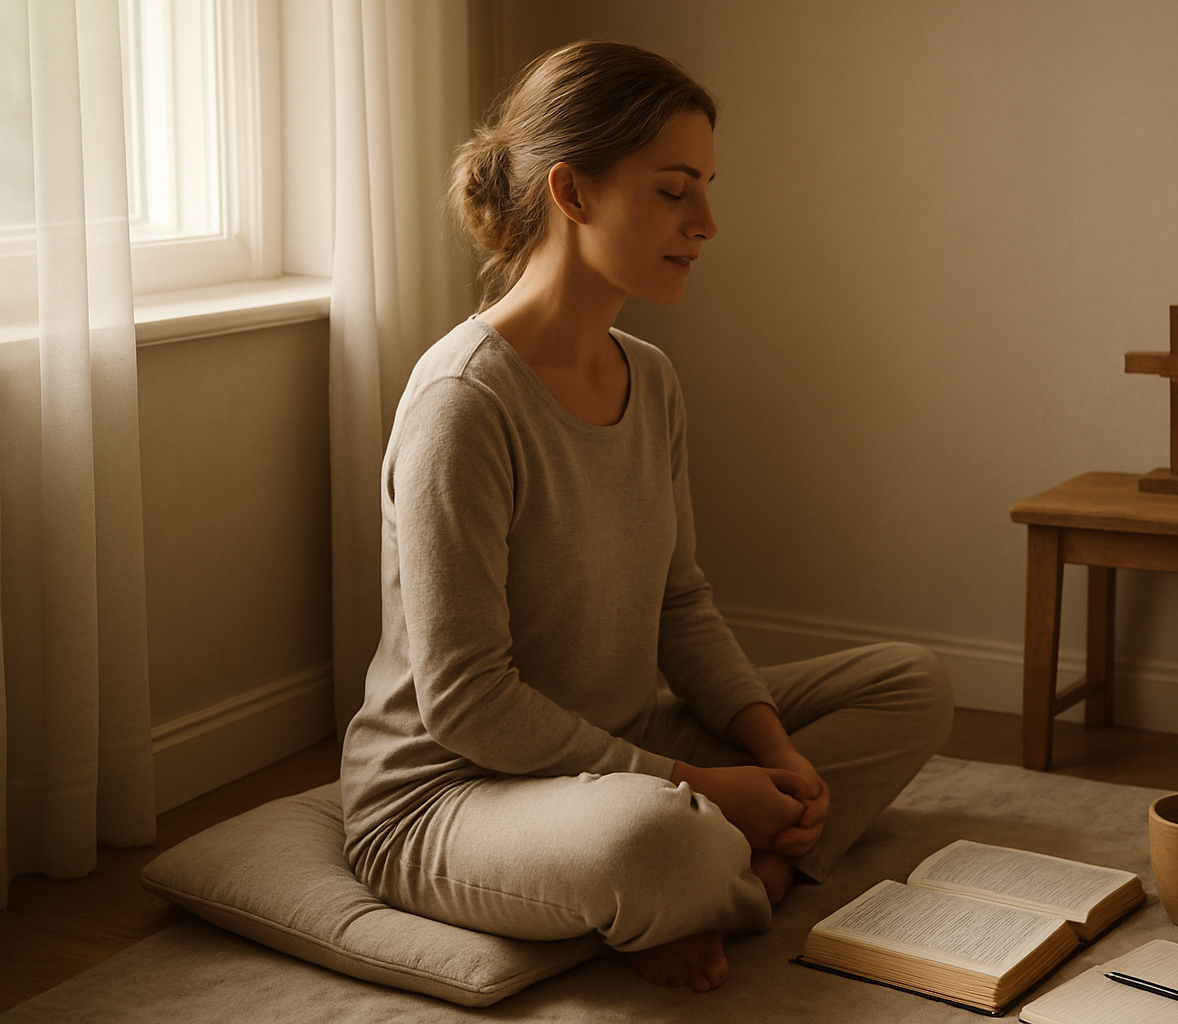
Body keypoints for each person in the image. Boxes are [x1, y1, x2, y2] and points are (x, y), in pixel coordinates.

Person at [339, 39, 953, 994]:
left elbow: (681, 604)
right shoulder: (462, 401)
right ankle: (716, 877)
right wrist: (699, 789)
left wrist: (777, 761)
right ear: (571, 193)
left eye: (706, 186)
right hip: (451, 791)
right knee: (657, 842)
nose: (707, 221)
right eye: (674, 191)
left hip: (625, 740)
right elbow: (464, 703)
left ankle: (745, 871)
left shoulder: (652, 378)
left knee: (911, 683)